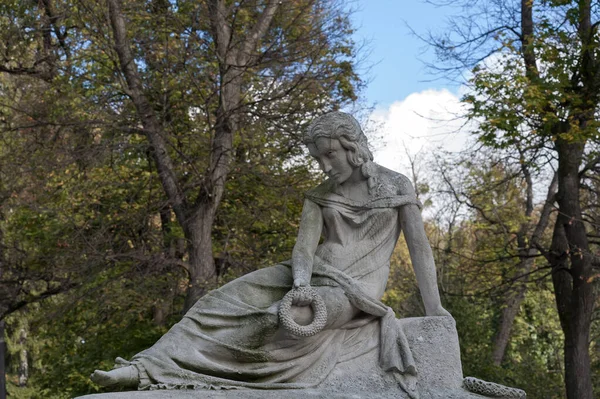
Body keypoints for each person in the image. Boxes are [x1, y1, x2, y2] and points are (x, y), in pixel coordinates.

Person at [90, 112, 450, 394]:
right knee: (217, 302)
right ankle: (147, 367)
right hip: (306, 274)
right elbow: (304, 249)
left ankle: (203, 374)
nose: (325, 165)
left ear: (351, 144)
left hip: (355, 291)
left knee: (284, 318)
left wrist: (435, 310)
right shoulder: (318, 194)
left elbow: (419, 251)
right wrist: (300, 283)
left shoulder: (396, 186)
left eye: (330, 154)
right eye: (318, 158)